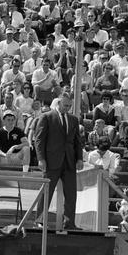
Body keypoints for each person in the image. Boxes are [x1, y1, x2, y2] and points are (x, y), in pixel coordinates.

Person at [34, 94, 83, 229]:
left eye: (69, 106)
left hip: (69, 161)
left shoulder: (73, 119)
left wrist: (79, 158)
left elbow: (77, 141)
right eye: (65, 105)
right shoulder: (46, 117)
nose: (67, 108)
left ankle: (69, 223)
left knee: (71, 194)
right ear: (59, 103)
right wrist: (41, 159)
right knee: (46, 192)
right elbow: (39, 139)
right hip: (51, 161)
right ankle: (39, 221)